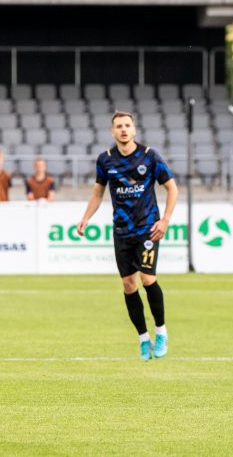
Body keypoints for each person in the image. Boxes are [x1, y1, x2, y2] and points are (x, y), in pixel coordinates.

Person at [76, 111, 179, 361]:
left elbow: (172, 187)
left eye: (127, 125)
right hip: (122, 231)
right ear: (113, 132)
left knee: (147, 278)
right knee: (128, 285)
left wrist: (165, 220)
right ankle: (144, 339)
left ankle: (161, 332)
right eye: (119, 126)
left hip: (148, 229)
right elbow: (98, 193)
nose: (123, 129)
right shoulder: (106, 160)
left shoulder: (150, 156)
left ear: (134, 130)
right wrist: (86, 217)